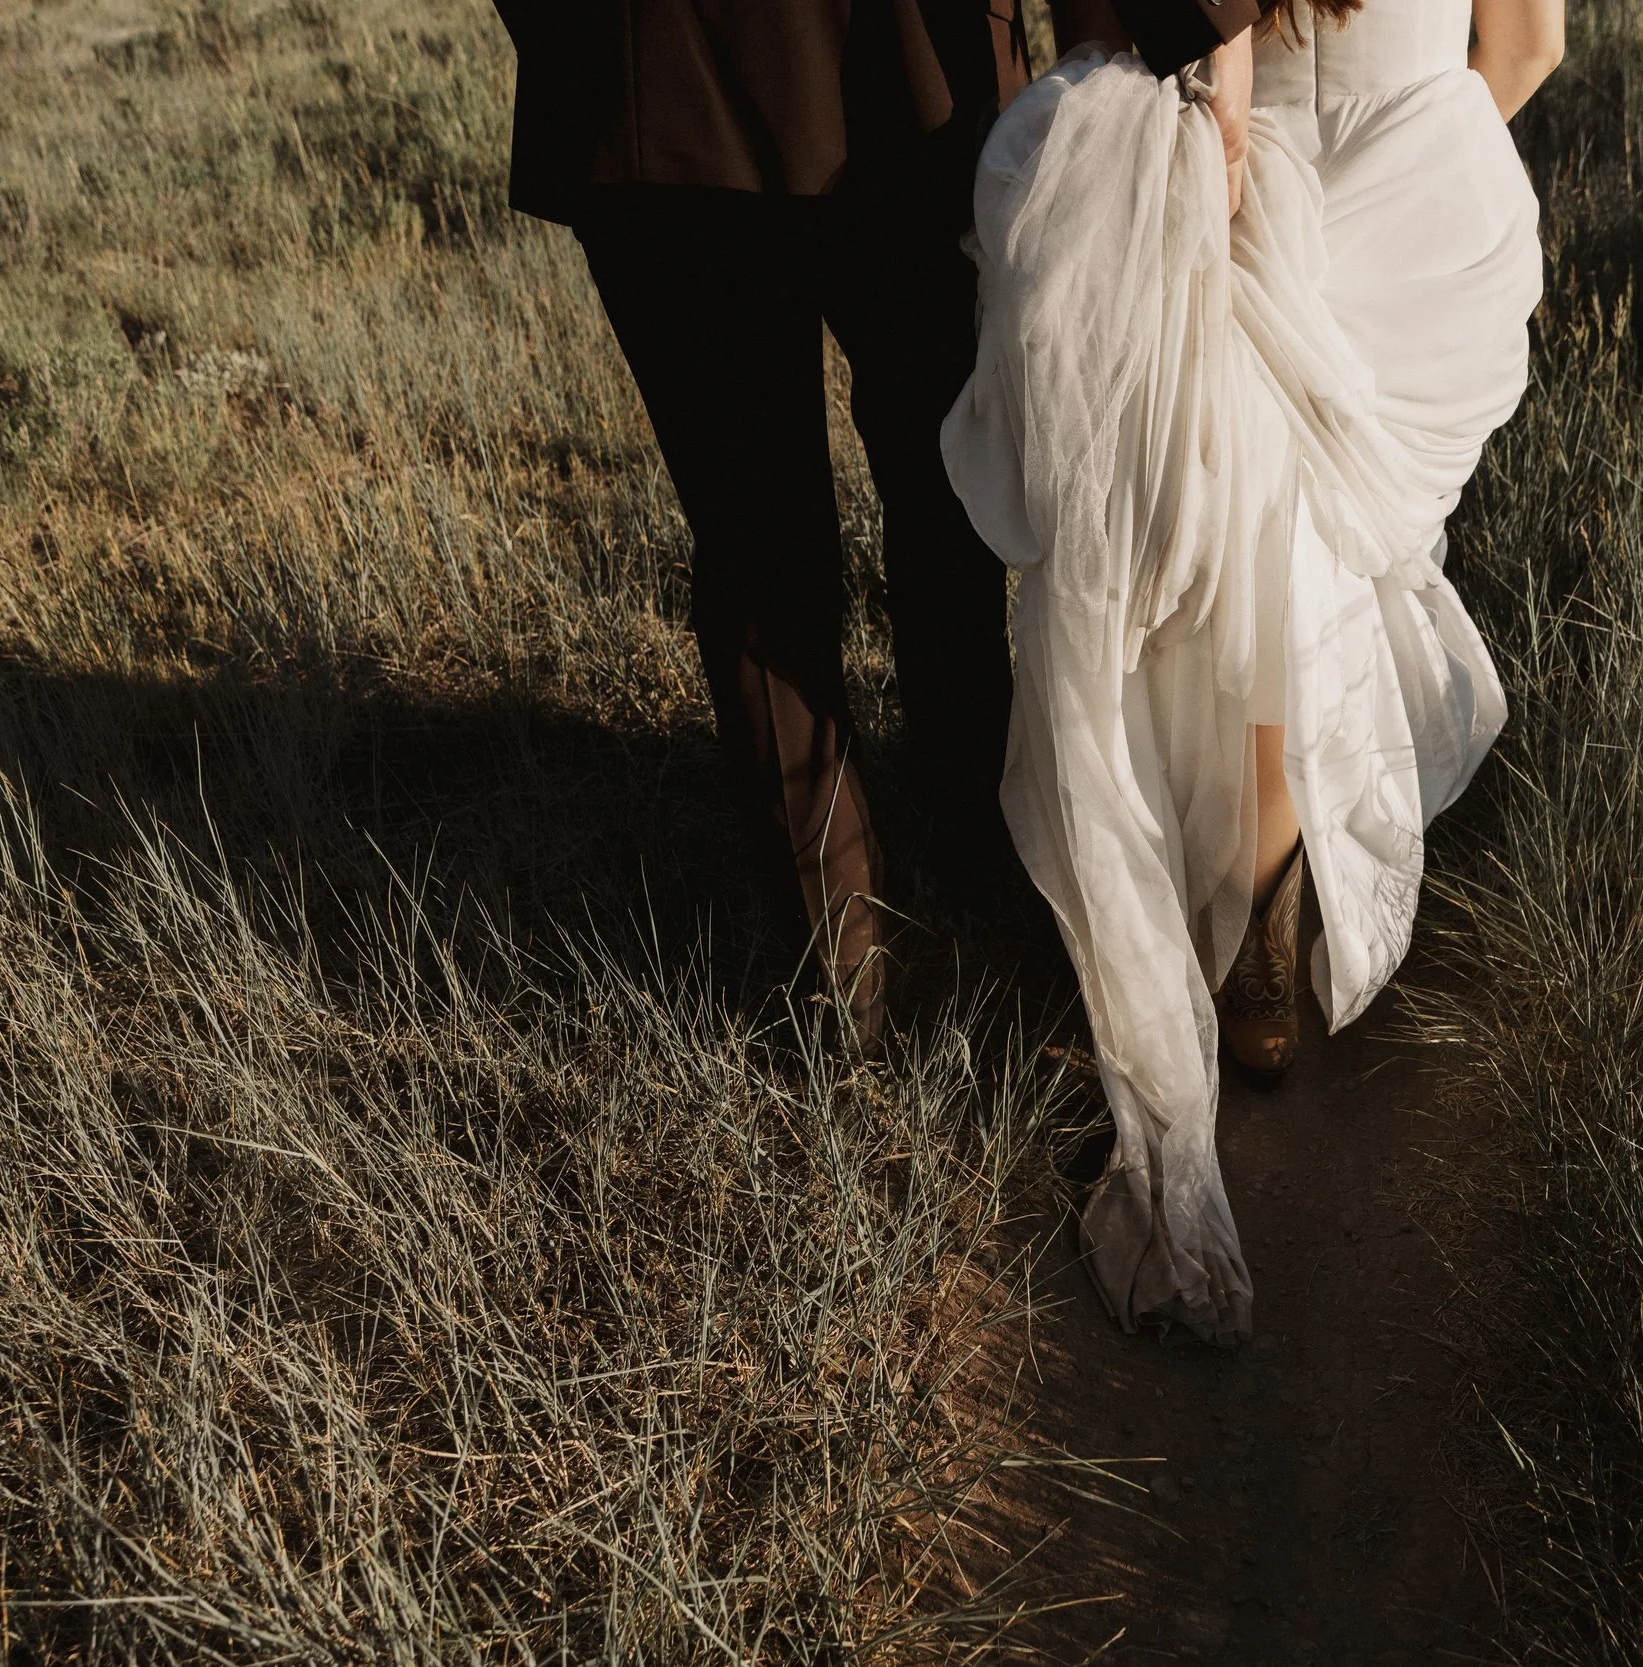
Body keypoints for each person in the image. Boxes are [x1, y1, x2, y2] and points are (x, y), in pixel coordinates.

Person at [942, 0, 1563, 1341]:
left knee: (1204, 579)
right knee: (1331, 569)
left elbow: (1116, 19)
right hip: (1415, 191)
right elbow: (1526, 51)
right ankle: (1269, 902)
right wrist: (1403, 178)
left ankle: (1212, 891)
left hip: (1232, 174)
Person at [485, 0, 1272, 1043]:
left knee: (781, 519)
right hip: (888, 71)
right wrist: (1204, 29)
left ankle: (846, 952)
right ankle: (963, 847)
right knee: (938, 469)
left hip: (660, 75)